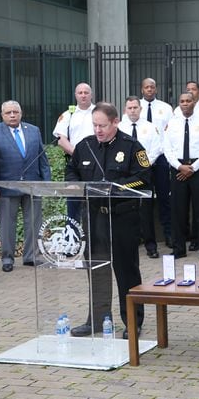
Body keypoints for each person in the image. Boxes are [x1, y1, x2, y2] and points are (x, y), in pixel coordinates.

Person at [65, 102, 151, 338]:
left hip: (122, 217)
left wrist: (116, 188)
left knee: (126, 272)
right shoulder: (85, 145)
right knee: (97, 269)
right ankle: (98, 320)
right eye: (94, 125)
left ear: (115, 122)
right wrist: (73, 183)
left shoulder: (132, 146)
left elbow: (144, 176)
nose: (98, 130)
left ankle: (133, 321)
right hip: (93, 219)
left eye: (102, 125)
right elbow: (71, 170)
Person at [0, 100, 51, 272]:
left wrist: (46, 183)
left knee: (34, 223)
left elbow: (42, 160)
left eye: (15, 112)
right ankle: (7, 258)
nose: (12, 115)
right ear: (2, 115)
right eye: (8, 112)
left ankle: (31, 256)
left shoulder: (33, 130)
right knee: (7, 225)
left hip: (33, 185)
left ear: (21, 113)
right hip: (6, 187)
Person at [163, 92, 199, 259]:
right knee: (178, 210)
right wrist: (180, 166)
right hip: (178, 168)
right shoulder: (171, 124)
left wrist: (192, 167)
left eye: (188, 101)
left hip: (198, 168)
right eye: (182, 101)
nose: (185, 104)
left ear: (195, 103)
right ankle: (178, 249)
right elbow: (167, 149)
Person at [120, 95, 162, 259]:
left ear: (140, 108)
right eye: (129, 108)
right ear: (125, 110)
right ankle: (128, 244)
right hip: (125, 175)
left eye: (135, 107)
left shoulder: (150, 127)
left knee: (146, 212)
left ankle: (151, 246)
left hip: (144, 175)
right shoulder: (120, 127)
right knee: (126, 210)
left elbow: (156, 149)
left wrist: (142, 166)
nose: (132, 110)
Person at [52, 83, 95, 221]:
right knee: (73, 202)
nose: (83, 95)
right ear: (75, 95)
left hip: (97, 162)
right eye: (80, 92)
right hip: (75, 163)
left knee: (95, 201)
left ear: (91, 94)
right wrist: (78, 155)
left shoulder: (98, 112)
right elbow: (61, 139)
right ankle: (72, 237)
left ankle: (95, 238)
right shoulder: (68, 115)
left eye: (86, 92)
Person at [139, 77, 174, 247]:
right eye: (147, 87)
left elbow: (170, 133)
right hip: (139, 160)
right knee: (142, 198)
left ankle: (168, 234)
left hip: (160, 157)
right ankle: (144, 237)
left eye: (152, 87)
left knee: (163, 197)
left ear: (156, 89)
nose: (150, 90)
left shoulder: (165, 109)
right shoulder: (135, 107)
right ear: (142, 90)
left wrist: (154, 157)